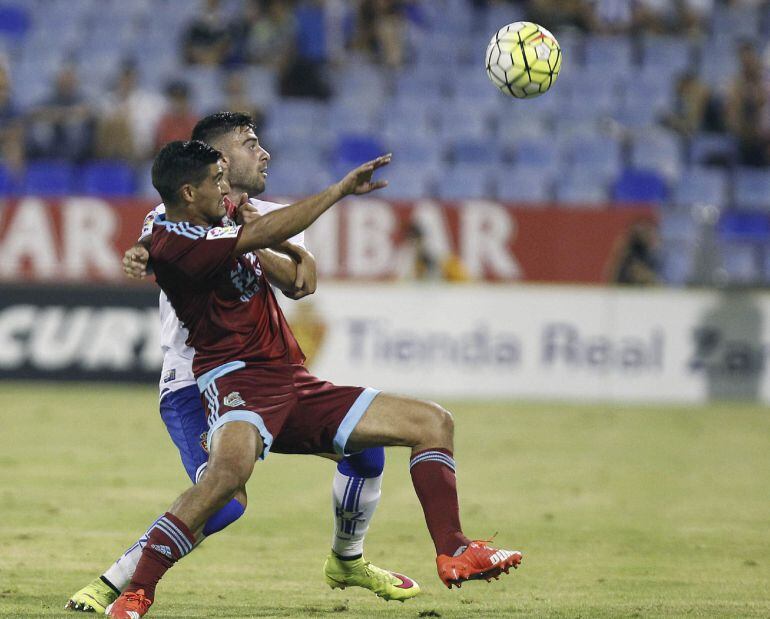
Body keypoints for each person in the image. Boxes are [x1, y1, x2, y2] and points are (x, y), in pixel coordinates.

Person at [104, 139, 521, 618]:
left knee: (432, 422)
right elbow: (247, 236)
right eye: (216, 181)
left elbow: (295, 272)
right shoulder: (180, 243)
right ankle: (137, 591)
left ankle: (454, 548)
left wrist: (246, 222)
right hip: (235, 379)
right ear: (188, 191)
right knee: (225, 482)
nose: (225, 187)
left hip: (292, 380)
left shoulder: (216, 217)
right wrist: (339, 191)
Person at [66, 113, 416, 612]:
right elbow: (152, 238)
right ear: (221, 161)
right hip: (193, 381)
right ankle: (115, 581)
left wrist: (260, 234)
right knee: (226, 499)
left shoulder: (272, 215)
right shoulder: (178, 211)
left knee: (365, 450)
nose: (265, 153)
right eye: (252, 144)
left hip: (262, 374)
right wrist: (141, 252)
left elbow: (302, 282)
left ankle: (348, 559)